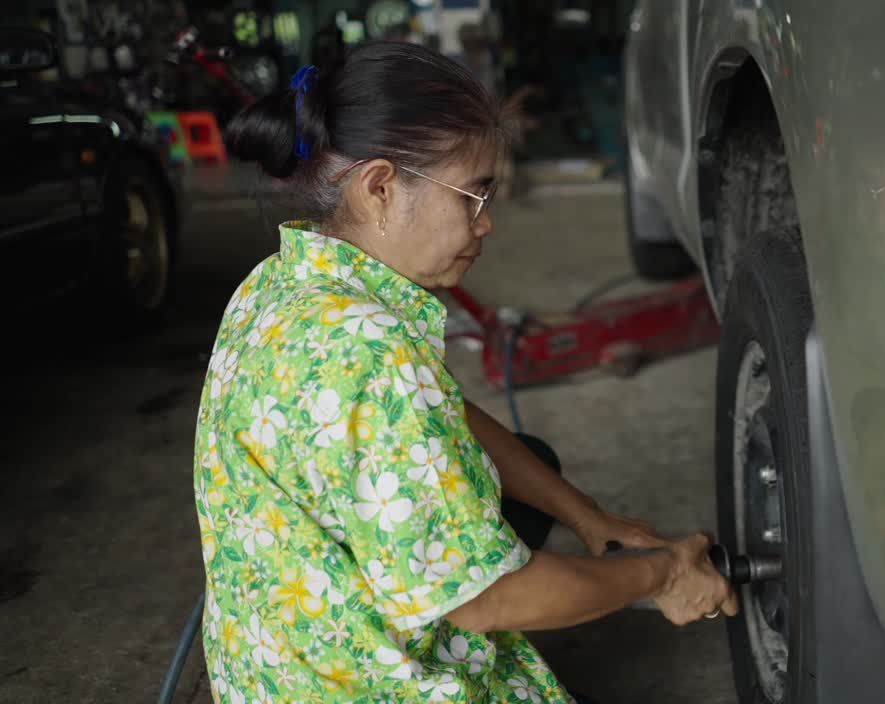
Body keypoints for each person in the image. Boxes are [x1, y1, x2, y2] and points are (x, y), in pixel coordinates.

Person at [194, 41, 737, 704]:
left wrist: (585, 516)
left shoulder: (279, 283)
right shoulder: (370, 351)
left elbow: (439, 415)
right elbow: (488, 602)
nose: (487, 224)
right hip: (353, 687)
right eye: (472, 196)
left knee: (530, 464)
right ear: (381, 188)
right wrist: (661, 575)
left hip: (267, 667)